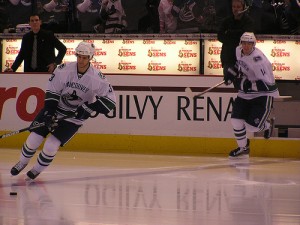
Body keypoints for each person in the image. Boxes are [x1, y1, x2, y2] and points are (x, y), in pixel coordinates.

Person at [10, 41, 116, 180]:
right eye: (79, 56)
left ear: (90, 58)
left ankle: (36, 170)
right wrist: (48, 113)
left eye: (84, 58)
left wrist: (87, 108)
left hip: (73, 118)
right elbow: (52, 92)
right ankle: (22, 163)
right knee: (33, 139)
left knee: (50, 146)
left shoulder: (97, 78)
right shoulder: (63, 69)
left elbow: (110, 102)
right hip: (55, 109)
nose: (81, 60)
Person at [224, 32, 279, 159]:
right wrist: (232, 72)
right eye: (244, 43)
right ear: (240, 43)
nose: (246, 46)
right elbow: (240, 64)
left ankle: (267, 125)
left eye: (249, 43)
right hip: (245, 94)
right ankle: (243, 148)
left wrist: (249, 85)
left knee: (252, 127)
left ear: (253, 44)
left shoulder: (259, 61)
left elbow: (269, 85)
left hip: (262, 95)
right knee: (236, 121)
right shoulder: (238, 50)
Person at [217, 0, 255, 79]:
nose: (235, 9)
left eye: (238, 7)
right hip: (229, 58)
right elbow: (220, 36)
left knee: (242, 85)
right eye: (234, 7)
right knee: (229, 81)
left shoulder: (249, 21)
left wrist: (229, 33)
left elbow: (245, 38)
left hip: (244, 60)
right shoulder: (226, 21)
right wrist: (237, 34)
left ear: (243, 8)